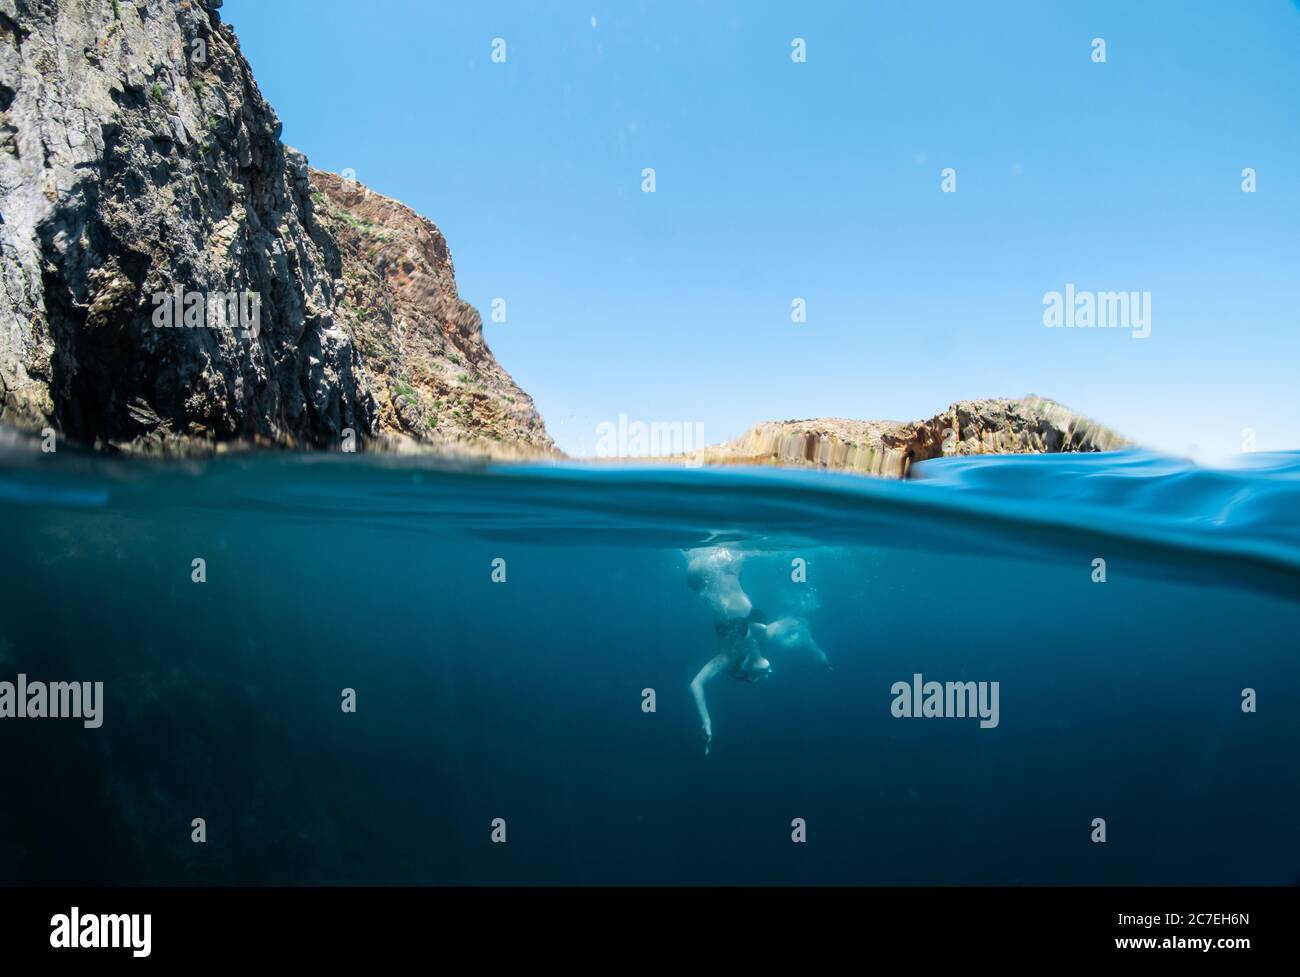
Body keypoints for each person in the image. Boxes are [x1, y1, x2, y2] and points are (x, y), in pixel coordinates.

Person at [684, 546, 831, 754]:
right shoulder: (764, 638)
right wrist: (819, 654)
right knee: (740, 543)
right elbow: (795, 622)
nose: (769, 673)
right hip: (728, 570)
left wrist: (705, 722)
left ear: (748, 674)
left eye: (760, 678)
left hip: (703, 576)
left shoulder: (729, 657)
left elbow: (695, 684)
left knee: (720, 546)